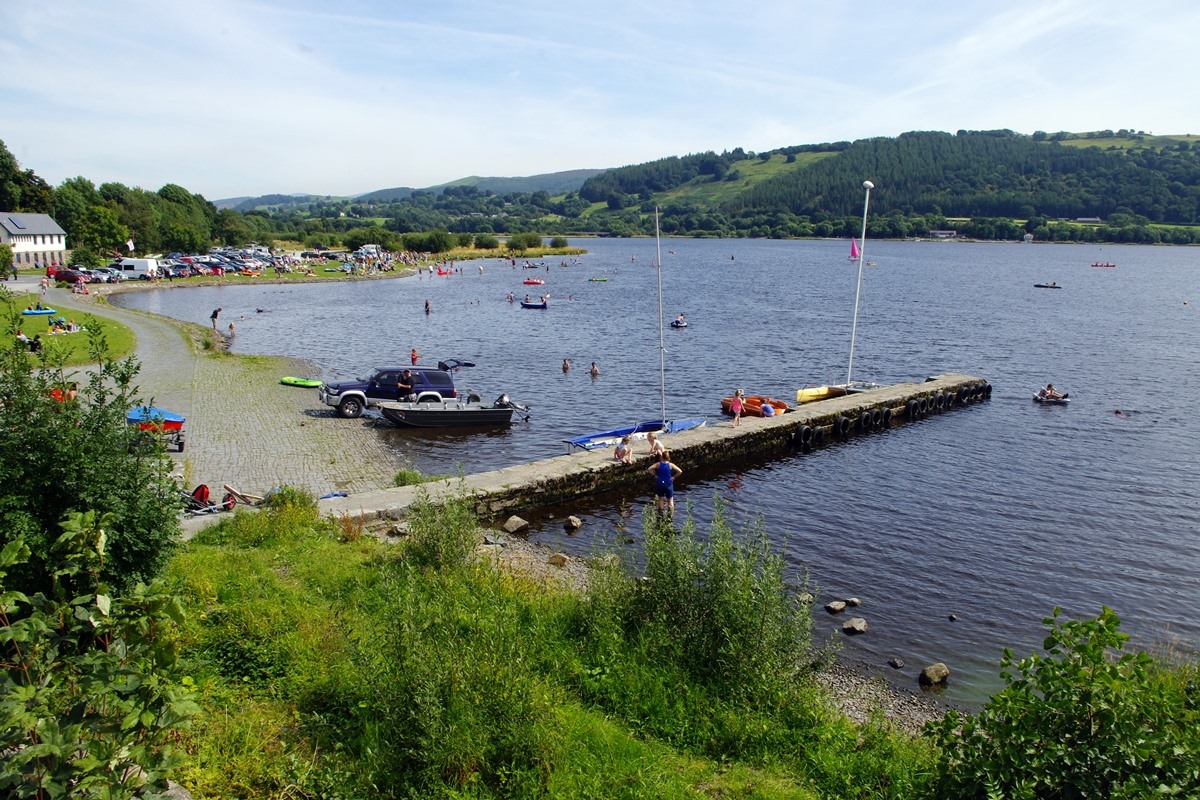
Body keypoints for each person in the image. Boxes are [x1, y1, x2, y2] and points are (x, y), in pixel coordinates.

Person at [648, 450, 683, 516]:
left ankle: (661, 515)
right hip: (668, 483)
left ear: (662, 457)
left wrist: (654, 476)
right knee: (670, 500)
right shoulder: (670, 465)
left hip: (660, 483)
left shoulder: (658, 464)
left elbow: (649, 469)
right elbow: (680, 471)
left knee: (661, 499)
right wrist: (674, 477)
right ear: (668, 457)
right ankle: (670, 515)